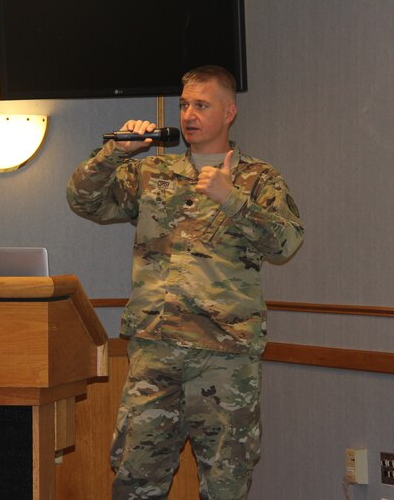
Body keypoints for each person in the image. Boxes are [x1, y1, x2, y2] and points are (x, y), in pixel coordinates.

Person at [66, 65, 304, 499]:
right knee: (136, 480)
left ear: (229, 112)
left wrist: (231, 200)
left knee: (226, 484)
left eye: (201, 105)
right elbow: (83, 199)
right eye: (184, 105)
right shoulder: (153, 172)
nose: (189, 114)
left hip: (224, 356)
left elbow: (286, 242)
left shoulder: (258, 178)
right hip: (155, 351)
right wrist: (118, 151)